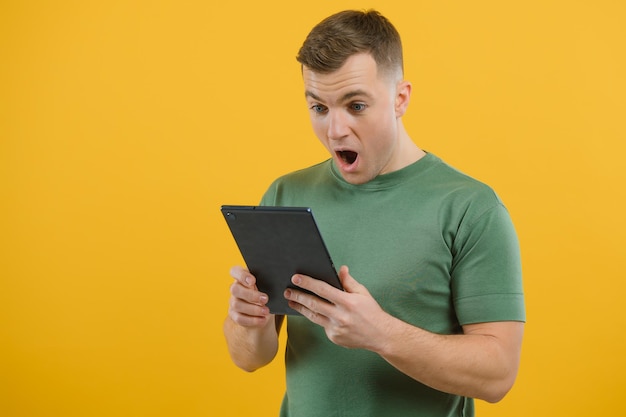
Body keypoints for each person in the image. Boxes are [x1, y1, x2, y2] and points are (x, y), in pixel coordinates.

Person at [223, 9, 525, 417]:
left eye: (356, 106)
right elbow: (250, 358)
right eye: (319, 108)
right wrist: (248, 320)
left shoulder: (471, 208)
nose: (335, 130)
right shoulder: (285, 194)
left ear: (401, 98)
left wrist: (380, 334)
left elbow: (498, 375)